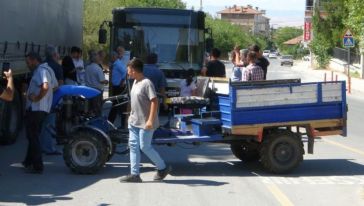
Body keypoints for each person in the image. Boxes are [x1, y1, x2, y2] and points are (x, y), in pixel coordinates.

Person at [120, 58, 171, 183]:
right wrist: (128, 117)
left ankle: (163, 168)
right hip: (134, 121)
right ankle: (134, 174)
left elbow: (154, 102)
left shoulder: (147, 83)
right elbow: (133, 101)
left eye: (128, 70)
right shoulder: (135, 82)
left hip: (146, 122)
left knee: (145, 147)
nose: (127, 73)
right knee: (133, 146)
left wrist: (150, 120)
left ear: (134, 70)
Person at [22, 52, 56, 174]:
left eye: (28, 62)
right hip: (42, 109)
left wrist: (36, 98)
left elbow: (45, 86)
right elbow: (55, 86)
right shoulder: (47, 69)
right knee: (33, 136)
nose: (27, 64)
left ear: (34, 60)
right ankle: (28, 161)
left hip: (37, 109)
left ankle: (37, 165)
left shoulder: (41, 71)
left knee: (33, 136)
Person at [39, 46, 62, 155]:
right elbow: (60, 85)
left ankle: (40, 145)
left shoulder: (41, 65)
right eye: (57, 54)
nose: (58, 56)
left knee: (42, 123)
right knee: (50, 123)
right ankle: (48, 148)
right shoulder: (57, 67)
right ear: (54, 55)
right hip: (53, 98)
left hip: (40, 98)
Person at [108, 51, 127, 127]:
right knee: (116, 104)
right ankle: (111, 121)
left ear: (114, 57)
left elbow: (125, 72)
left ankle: (112, 121)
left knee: (117, 105)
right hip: (116, 86)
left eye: (110, 57)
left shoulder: (118, 64)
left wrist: (121, 82)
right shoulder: (115, 64)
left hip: (118, 87)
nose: (110, 59)